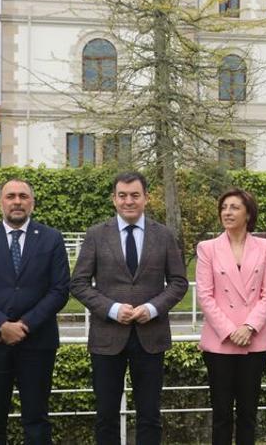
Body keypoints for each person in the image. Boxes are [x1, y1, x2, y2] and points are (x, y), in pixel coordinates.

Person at [70, 171, 188, 445]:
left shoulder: (165, 235)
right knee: (106, 415)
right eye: (122, 195)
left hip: (151, 337)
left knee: (149, 415)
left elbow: (179, 282)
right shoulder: (96, 235)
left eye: (135, 195)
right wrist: (110, 308)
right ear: (114, 199)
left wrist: (152, 308)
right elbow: (78, 283)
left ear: (146, 198)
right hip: (107, 337)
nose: (128, 201)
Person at [0, 178, 71, 444]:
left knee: (36, 422)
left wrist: (24, 325)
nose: (17, 202)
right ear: (1, 203)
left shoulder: (51, 239)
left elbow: (59, 290)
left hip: (37, 343)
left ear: (32, 202)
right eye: (11, 196)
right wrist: (1, 325)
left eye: (23, 196)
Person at [195, 188, 266, 445]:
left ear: (248, 213)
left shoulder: (265, 247)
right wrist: (231, 330)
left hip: (254, 341)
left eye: (234, 208)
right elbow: (205, 295)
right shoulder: (207, 248)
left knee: (248, 414)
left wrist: (249, 327)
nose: (227, 212)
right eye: (224, 208)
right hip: (220, 342)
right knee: (220, 415)